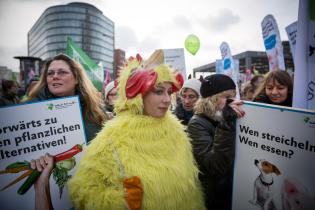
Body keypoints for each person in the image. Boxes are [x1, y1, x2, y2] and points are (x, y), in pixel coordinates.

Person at [67, 57, 206, 209]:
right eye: (159, 91)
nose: (167, 99)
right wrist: (119, 202)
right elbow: (83, 190)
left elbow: (192, 188)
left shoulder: (177, 131)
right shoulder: (113, 137)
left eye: (169, 92)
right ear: (138, 96)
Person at [187, 74, 245, 210]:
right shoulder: (197, 124)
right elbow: (215, 165)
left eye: (234, 96)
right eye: (227, 97)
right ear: (212, 99)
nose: (232, 101)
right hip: (214, 195)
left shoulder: (225, 116)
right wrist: (227, 124)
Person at [26, 54, 107, 143]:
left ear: (76, 79)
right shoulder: (29, 111)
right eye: (50, 73)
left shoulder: (94, 110)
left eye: (62, 72)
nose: (55, 76)